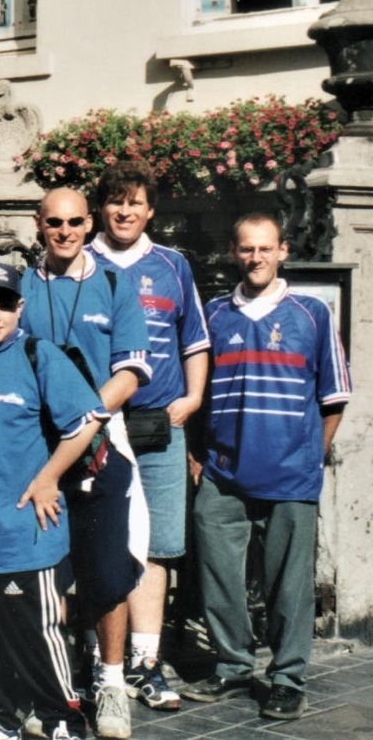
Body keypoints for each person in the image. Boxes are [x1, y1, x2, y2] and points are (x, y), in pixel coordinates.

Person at [182, 213, 350, 721]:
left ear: (282, 251)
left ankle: (286, 678)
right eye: (246, 249)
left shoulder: (312, 314)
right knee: (219, 579)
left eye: (265, 249)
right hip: (223, 475)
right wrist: (198, 456)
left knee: (289, 587)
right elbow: (197, 392)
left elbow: (334, 397)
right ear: (234, 253)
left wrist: (310, 454)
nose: (256, 258)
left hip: (289, 476)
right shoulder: (213, 315)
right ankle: (233, 667)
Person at [0, 263, 106, 740]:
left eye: (4, 304)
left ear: (20, 307)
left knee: (36, 637)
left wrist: (48, 478)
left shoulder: (40, 356)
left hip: (22, 534)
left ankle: (63, 719)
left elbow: (86, 422)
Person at [19, 187, 151, 740]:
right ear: (38, 224)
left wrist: (89, 415)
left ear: (89, 221)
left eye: (76, 221)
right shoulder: (21, 284)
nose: (66, 231)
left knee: (108, 568)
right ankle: (51, 684)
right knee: (43, 570)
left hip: (100, 437)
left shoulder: (114, 282)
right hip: (37, 443)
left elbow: (130, 370)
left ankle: (112, 682)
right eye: (55, 223)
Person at [89, 163, 209, 713]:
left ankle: (144, 660)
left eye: (135, 203)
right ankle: (98, 660)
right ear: (101, 208)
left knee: (157, 546)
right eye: (116, 202)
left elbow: (195, 340)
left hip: (160, 423)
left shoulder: (172, 265)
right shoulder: (82, 262)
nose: (125, 212)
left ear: (150, 210)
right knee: (100, 541)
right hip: (96, 426)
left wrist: (192, 398)